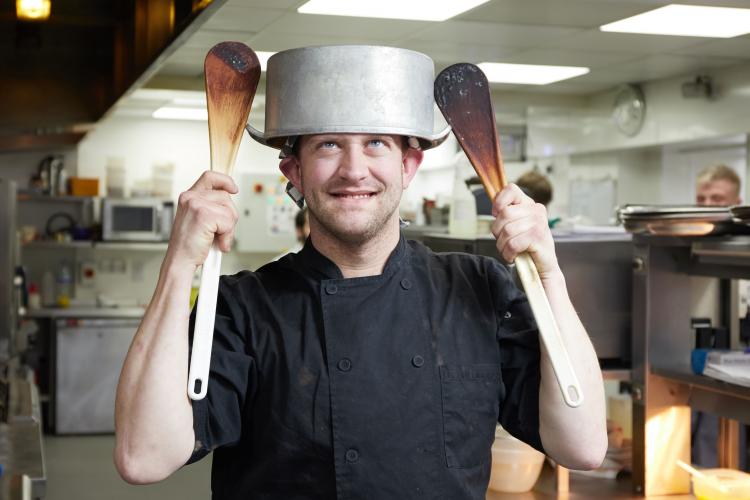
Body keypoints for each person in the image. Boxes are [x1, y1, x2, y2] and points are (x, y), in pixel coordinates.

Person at [114, 45, 607, 499]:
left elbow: (582, 447)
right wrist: (180, 264)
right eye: (329, 145)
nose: (354, 169)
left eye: (375, 143)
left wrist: (549, 276)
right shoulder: (243, 308)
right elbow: (143, 457)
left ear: (409, 165)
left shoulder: (479, 289)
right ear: (295, 172)